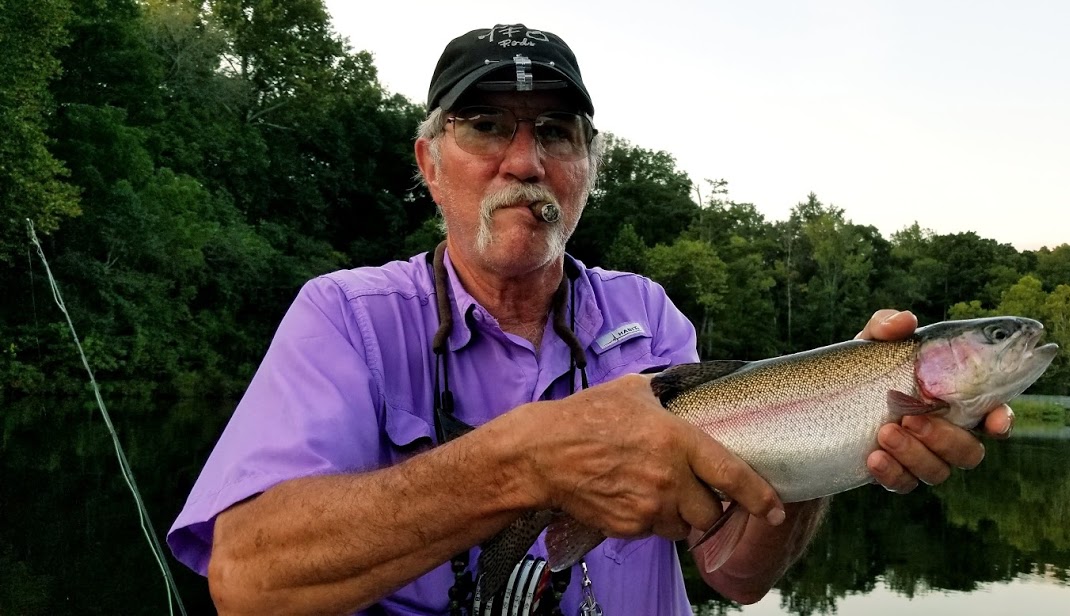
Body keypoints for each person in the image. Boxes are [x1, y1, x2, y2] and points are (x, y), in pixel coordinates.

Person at [167, 23, 1013, 616]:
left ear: (587, 168)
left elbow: (733, 575)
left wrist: (834, 447)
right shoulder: (344, 316)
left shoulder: (646, 315)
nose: (524, 160)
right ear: (429, 163)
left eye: (557, 134)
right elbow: (248, 582)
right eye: (485, 126)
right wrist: (526, 462)